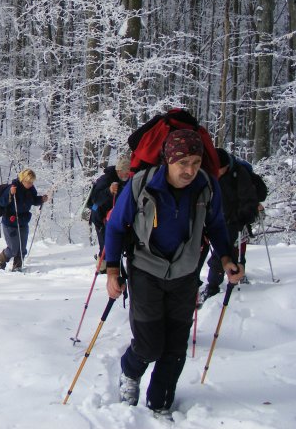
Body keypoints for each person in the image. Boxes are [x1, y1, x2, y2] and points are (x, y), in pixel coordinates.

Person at [104, 129, 244, 419]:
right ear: (168, 160)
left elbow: (216, 225)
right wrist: (113, 270)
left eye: (195, 162)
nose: (190, 170)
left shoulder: (206, 186)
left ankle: (161, 402)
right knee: (149, 343)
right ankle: (130, 373)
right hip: (145, 270)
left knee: (176, 345)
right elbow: (116, 226)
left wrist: (228, 257)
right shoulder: (141, 185)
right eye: (183, 163)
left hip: (185, 272)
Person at [197, 147, 259, 305]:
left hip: (234, 221)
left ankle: (213, 286)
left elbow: (249, 201)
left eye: (220, 169)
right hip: (214, 220)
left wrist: (240, 219)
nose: (217, 172)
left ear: (227, 166)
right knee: (225, 252)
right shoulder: (209, 175)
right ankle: (225, 279)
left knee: (223, 254)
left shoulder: (239, 175)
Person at [0, 168, 48, 271]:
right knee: (13, 249)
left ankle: (17, 266)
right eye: (29, 182)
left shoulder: (31, 189)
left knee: (22, 249)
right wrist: (10, 194)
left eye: (32, 182)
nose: (31, 184)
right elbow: (2, 202)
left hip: (23, 221)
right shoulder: (12, 188)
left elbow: (33, 200)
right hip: (10, 222)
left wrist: (41, 199)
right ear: (23, 180)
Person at [88, 154, 130, 272]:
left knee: (115, 240)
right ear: (118, 170)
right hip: (99, 215)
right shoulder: (106, 179)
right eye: (125, 172)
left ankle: (110, 263)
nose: (127, 175)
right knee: (105, 242)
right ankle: (102, 267)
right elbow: (95, 199)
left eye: (129, 172)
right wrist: (109, 191)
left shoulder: (127, 180)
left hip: (114, 215)